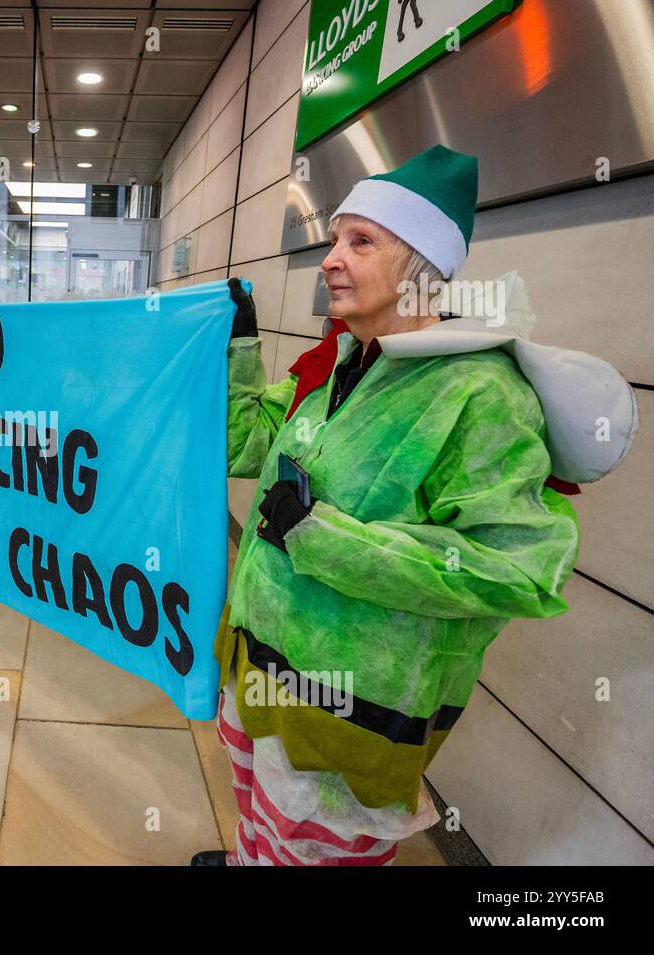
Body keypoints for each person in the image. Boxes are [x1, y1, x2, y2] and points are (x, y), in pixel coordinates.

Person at [191, 145, 636, 866]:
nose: (331, 258)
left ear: (422, 269)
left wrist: (320, 535)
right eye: (335, 238)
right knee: (264, 818)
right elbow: (241, 445)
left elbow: (517, 570)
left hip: (346, 712)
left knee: (316, 847)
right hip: (258, 667)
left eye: (360, 241)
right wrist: (239, 347)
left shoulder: (480, 397)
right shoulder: (341, 362)